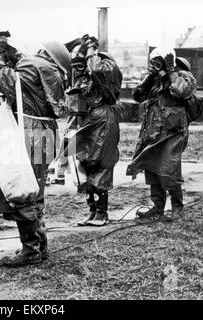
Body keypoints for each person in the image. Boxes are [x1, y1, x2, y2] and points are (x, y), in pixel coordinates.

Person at [0, 38, 70, 267]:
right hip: (45, 132)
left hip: (29, 132)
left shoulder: (30, 65)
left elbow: (2, 80)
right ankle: (39, 246)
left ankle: (31, 249)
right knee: (36, 190)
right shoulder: (50, 71)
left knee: (21, 189)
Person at [126, 47, 197, 221]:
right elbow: (137, 95)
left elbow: (182, 91)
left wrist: (171, 72)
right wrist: (150, 76)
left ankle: (177, 209)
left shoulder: (184, 77)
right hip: (153, 132)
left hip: (173, 132)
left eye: (161, 62)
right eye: (155, 62)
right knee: (152, 168)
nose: (159, 66)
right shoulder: (156, 81)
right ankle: (157, 208)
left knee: (169, 170)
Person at [62, 34, 123, 226]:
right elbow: (74, 105)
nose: (79, 67)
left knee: (101, 163)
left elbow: (96, 69)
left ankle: (102, 213)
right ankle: (92, 211)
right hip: (87, 120)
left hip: (103, 119)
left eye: (82, 62)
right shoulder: (81, 77)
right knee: (85, 165)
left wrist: (91, 52)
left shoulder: (105, 66)